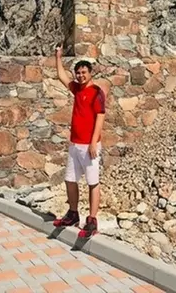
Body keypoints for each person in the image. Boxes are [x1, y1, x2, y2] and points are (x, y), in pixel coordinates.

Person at [51, 45, 108, 237]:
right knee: (70, 180)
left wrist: (93, 142)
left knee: (93, 182)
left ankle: (92, 220)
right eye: (78, 73)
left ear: (90, 73)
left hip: (89, 145)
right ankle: (73, 213)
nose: (80, 75)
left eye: (84, 72)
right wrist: (58, 56)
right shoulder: (77, 89)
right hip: (75, 144)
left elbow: (100, 116)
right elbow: (61, 76)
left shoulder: (96, 92)